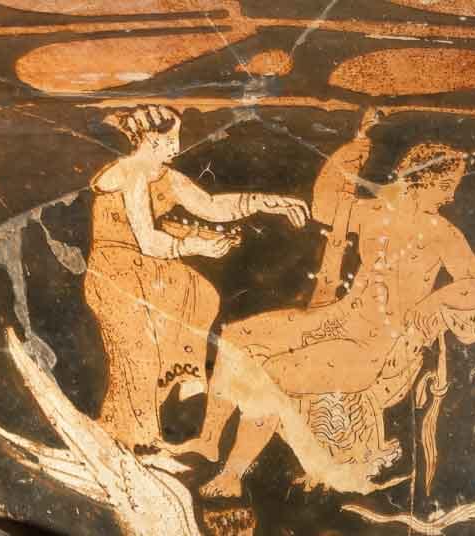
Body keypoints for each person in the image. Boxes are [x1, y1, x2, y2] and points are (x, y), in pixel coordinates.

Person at [169, 110, 475, 497]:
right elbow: (325, 205)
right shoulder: (375, 213)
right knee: (237, 337)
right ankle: (209, 439)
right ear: (427, 181)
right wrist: (357, 146)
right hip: (339, 319)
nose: (451, 196)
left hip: (372, 346)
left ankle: (232, 475)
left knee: (272, 375)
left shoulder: (443, 233)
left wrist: (431, 305)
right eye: (448, 185)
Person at [83, 105, 310, 451]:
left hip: (145, 271)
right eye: (170, 139)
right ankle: (130, 439)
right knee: (138, 356)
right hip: (116, 272)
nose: (176, 146)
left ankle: (146, 429)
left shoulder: (165, 176)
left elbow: (212, 205)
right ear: (150, 139)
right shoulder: (131, 172)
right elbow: (148, 240)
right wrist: (196, 246)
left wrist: (268, 203)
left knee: (200, 295)